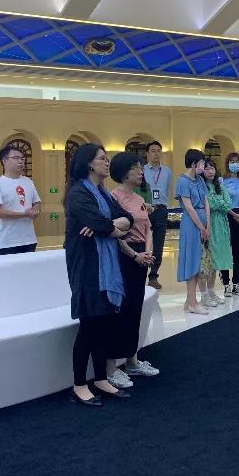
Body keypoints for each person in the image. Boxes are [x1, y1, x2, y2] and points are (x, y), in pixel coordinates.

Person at [64, 143, 133, 407]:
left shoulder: (104, 193)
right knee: (90, 326)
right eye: (102, 158)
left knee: (104, 324)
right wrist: (106, 226)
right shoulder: (78, 193)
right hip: (88, 268)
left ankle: (101, 378)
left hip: (106, 266)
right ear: (89, 164)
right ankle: (79, 385)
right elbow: (101, 224)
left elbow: (126, 219)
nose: (107, 162)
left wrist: (107, 225)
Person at [109, 152, 160, 389]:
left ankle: (132, 360)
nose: (141, 172)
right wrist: (134, 255)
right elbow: (114, 234)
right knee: (120, 309)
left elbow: (148, 228)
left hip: (142, 255)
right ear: (123, 172)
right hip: (124, 255)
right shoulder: (114, 197)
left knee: (135, 308)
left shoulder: (139, 198)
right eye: (136, 168)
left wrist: (147, 253)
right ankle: (112, 367)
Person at [0, 145, 42, 255]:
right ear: (4, 161)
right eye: (16, 158)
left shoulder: (28, 182)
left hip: (29, 240)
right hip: (8, 242)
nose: (20, 161)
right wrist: (23, 214)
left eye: (22, 159)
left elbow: (37, 202)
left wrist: (35, 210)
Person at [176, 148, 210, 314]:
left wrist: (208, 224)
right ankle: (192, 302)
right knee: (192, 261)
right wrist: (201, 227)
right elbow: (189, 208)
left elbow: (206, 202)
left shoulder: (200, 180)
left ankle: (190, 300)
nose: (204, 166)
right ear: (194, 163)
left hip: (203, 223)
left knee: (199, 261)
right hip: (191, 225)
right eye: (202, 163)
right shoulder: (182, 181)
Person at [199, 158, 233, 307]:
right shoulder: (201, 186)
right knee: (206, 260)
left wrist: (217, 201)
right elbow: (209, 204)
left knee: (216, 261)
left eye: (212, 168)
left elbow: (228, 204)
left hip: (222, 226)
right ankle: (204, 295)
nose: (210, 171)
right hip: (208, 224)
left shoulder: (220, 185)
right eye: (206, 168)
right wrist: (219, 202)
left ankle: (211, 291)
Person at [143, 140, 171, 290]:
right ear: (147, 154)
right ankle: (141, 273)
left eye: (159, 151)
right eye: (153, 151)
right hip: (145, 210)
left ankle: (153, 276)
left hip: (161, 209)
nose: (156, 154)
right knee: (143, 242)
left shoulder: (167, 171)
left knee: (159, 244)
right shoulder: (142, 170)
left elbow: (167, 190)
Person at [220, 152, 239, 296]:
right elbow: (221, 200)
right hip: (226, 215)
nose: (235, 164)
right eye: (232, 161)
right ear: (227, 164)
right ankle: (226, 284)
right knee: (225, 250)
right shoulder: (221, 180)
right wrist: (233, 214)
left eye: (237, 161)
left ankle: (237, 283)